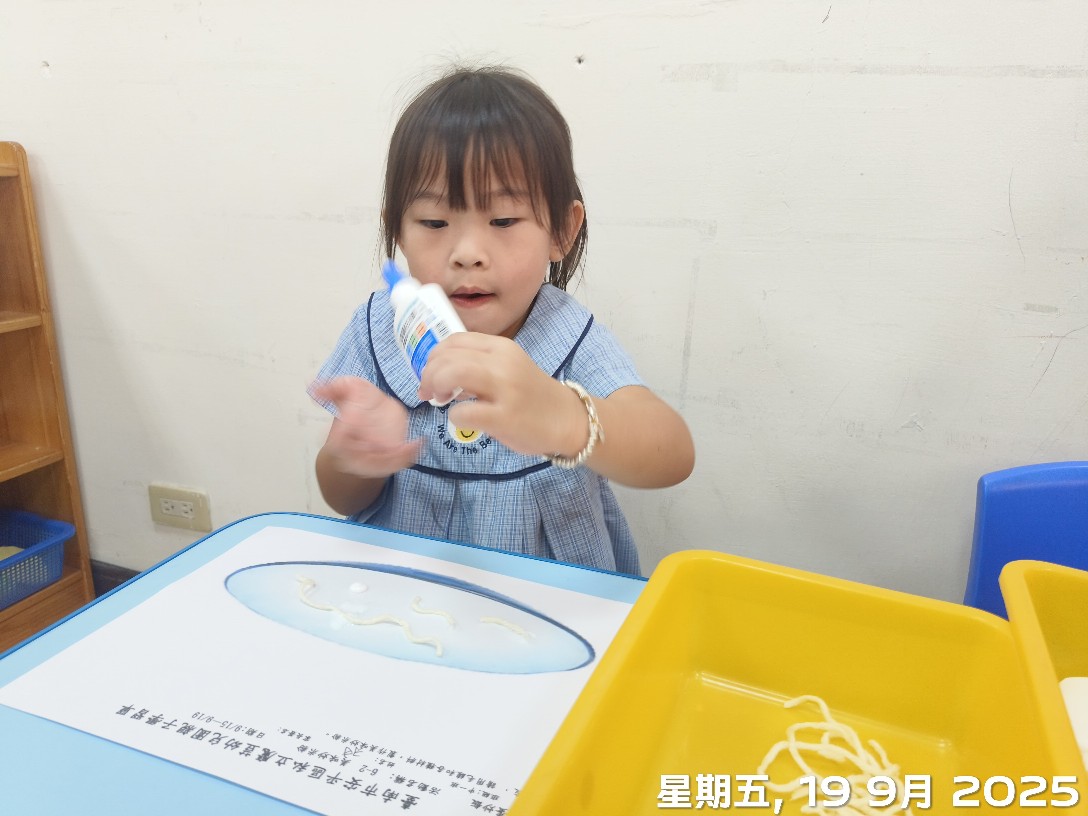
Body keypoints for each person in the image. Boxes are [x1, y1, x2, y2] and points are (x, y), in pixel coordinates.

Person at [311, 65, 694, 575]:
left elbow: (672, 453)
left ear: (562, 230)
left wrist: (566, 417)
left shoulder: (567, 337)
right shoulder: (380, 331)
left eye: (504, 220)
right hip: (406, 595)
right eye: (434, 222)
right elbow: (340, 498)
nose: (467, 253)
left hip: (548, 604)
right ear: (398, 230)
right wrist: (354, 456)